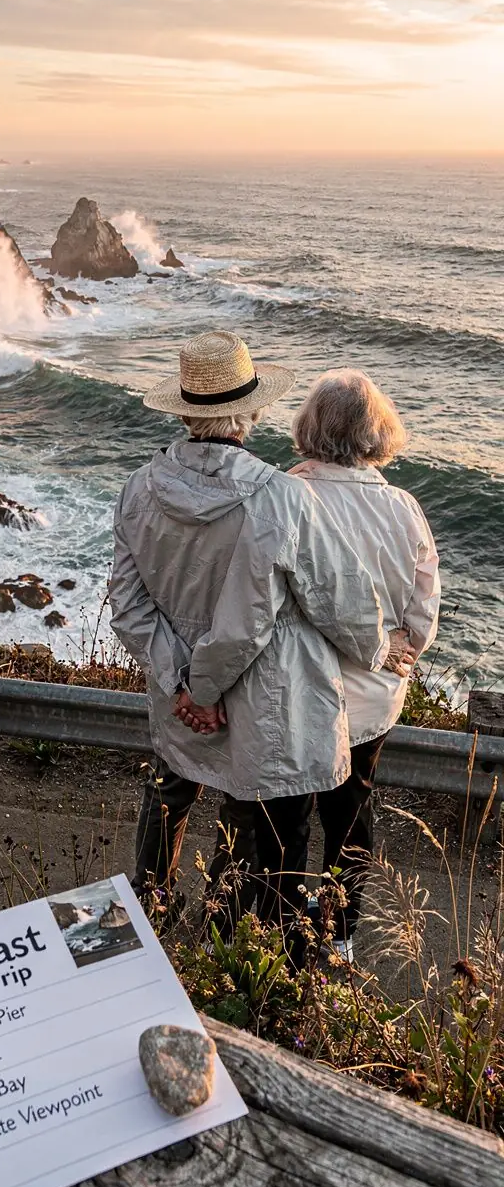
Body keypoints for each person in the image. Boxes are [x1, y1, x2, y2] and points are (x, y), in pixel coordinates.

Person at [109, 332, 409, 955]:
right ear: (252, 412)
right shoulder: (281, 497)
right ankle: (239, 951)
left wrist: (182, 683)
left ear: (185, 412)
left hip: (180, 701)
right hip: (261, 704)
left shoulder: (140, 487)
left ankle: (156, 910)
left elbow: (129, 606)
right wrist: (382, 652)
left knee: (172, 794)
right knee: (256, 830)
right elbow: (334, 603)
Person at [288, 369, 440, 958]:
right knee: (351, 815)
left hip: (298, 691)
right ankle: (340, 933)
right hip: (374, 699)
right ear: (378, 431)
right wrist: (400, 647)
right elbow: (422, 612)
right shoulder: (404, 508)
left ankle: (280, 926)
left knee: (287, 812)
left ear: (311, 426)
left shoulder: (288, 495)